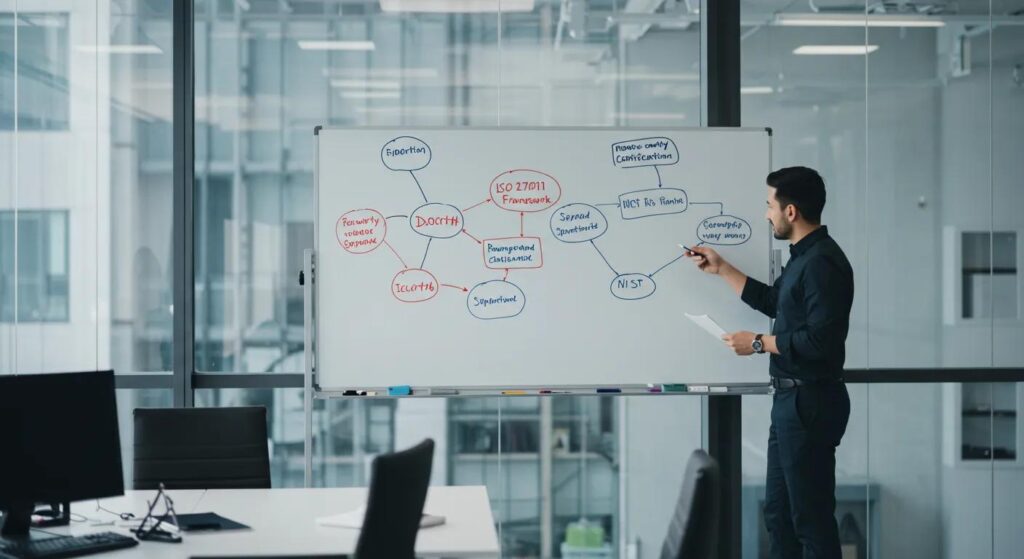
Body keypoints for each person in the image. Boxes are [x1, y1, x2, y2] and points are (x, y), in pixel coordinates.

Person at [686, 166, 854, 559]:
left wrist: (760, 343)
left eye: (769, 205)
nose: (766, 214)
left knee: (810, 520)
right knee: (779, 516)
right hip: (791, 403)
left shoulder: (822, 263)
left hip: (809, 403)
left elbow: (821, 341)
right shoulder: (802, 258)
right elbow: (775, 302)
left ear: (790, 211)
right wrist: (721, 268)